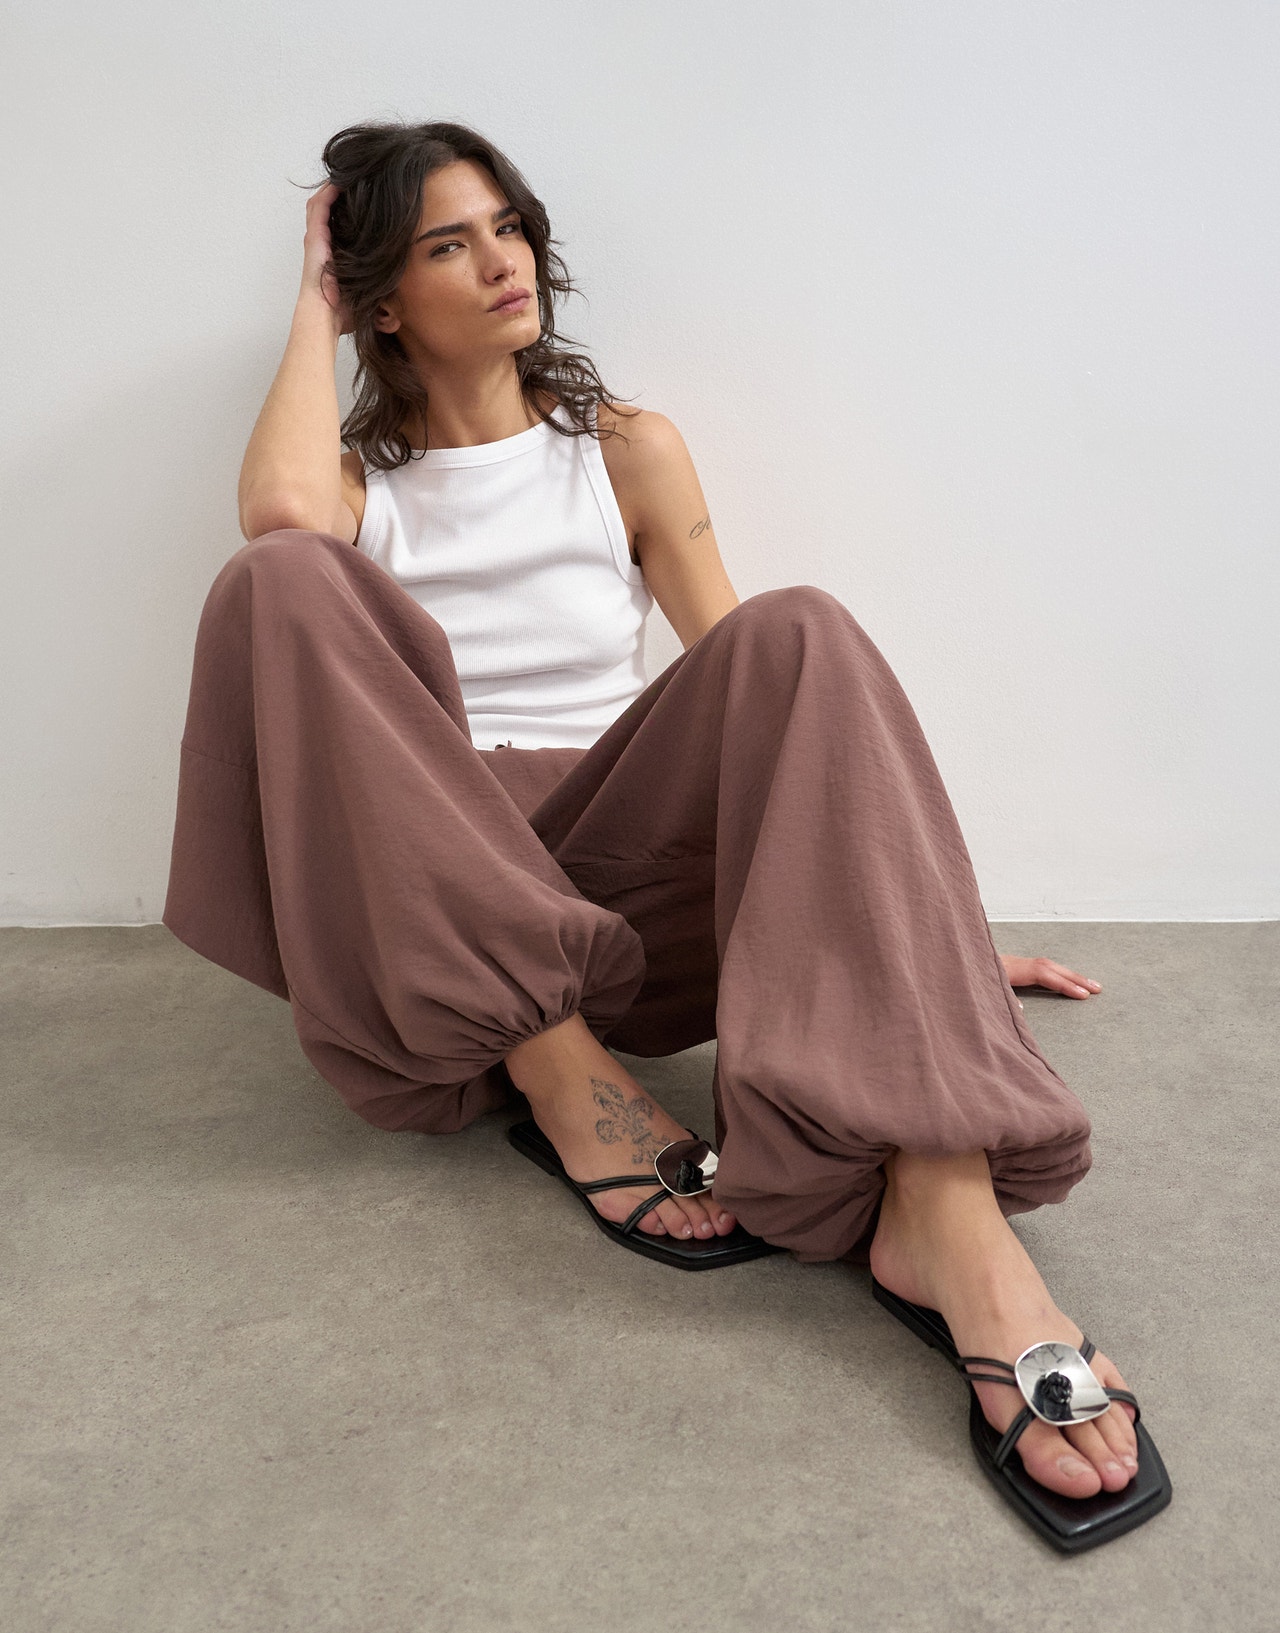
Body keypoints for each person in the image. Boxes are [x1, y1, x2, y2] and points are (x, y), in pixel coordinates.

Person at [165, 119, 1169, 1551]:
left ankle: (948, 1212)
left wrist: (920, 932)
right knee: (277, 585)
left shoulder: (623, 451)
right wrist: (311, 309)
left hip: (619, 875)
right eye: (448, 243)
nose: (503, 260)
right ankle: (558, 1067)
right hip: (435, 889)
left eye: (509, 226)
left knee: (801, 629)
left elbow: (761, 693)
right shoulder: (354, 485)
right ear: (381, 299)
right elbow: (277, 516)